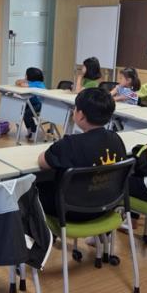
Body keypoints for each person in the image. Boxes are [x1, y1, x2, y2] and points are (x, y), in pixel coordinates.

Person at [36, 88, 126, 222]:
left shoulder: (70, 144)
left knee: (29, 189)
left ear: (81, 115)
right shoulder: (116, 140)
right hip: (107, 206)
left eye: (75, 108)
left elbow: (42, 162)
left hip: (72, 211)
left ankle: (36, 234)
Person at [16, 67, 46, 139]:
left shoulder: (38, 84)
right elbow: (17, 82)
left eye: (26, 75)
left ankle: (34, 130)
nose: (25, 76)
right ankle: (29, 130)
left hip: (40, 104)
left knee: (27, 114)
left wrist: (25, 80)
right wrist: (25, 79)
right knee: (23, 111)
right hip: (31, 103)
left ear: (30, 76)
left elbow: (22, 85)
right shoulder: (31, 82)